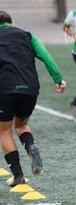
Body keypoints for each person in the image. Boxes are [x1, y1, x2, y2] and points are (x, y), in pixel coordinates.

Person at [0, 11, 66, 187]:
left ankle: (18, 176)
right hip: (30, 88)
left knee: (5, 132)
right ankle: (31, 147)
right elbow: (45, 56)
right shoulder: (27, 35)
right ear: (12, 22)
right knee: (21, 125)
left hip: (5, 88)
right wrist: (58, 78)